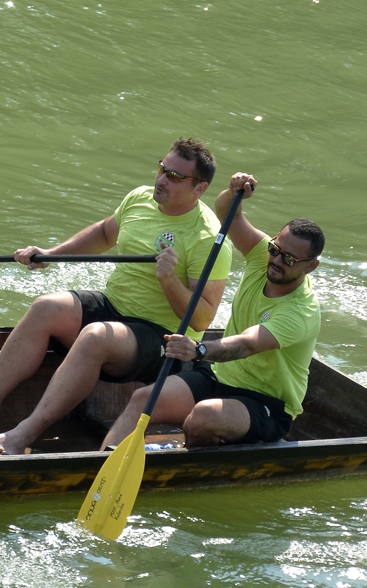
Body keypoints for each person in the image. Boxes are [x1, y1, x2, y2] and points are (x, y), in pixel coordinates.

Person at [0, 138, 232, 455]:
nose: (161, 179)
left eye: (175, 177)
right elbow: (105, 234)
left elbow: (203, 317)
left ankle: (24, 433)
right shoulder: (139, 199)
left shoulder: (208, 238)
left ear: (199, 188)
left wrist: (168, 281)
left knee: (95, 336)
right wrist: (51, 255)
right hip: (116, 307)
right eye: (162, 169)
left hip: (165, 339)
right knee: (46, 306)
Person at [102, 173, 323, 448]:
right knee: (141, 400)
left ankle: (186, 460)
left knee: (203, 417)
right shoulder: (260, 256)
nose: (276, 261)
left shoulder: (301, 311)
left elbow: (248, 343)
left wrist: (200, 350)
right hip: (218, 376)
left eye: (289, 259)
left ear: (310, 266)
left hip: (265, 403)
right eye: (275, 249)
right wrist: (234, 191)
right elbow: (227, 211)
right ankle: (96, 471)